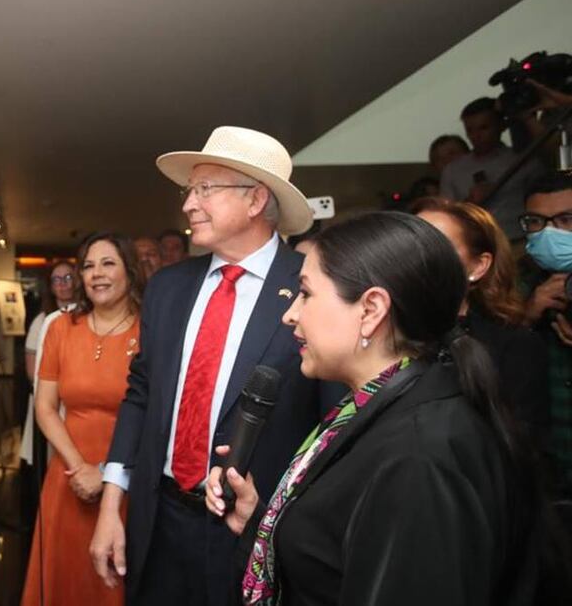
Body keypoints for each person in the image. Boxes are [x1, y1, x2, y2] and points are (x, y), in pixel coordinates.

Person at [206, 212, 541, 605]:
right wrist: (261, 525)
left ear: (371, 310)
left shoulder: (419, 456)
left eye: (306, 293)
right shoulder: (373, 405)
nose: (290, 314)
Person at [91, 126, 337, 605]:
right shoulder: (166, 288)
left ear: (255, 199)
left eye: (205, 189)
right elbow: (140, 394)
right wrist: (110, 503)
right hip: (158, 519)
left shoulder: (311, 287)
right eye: (189, 191)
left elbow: (330, 426)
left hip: (254, 531)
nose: (188, 204)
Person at [21, 232, 144, 606]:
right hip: (68, 477)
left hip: (127, 480)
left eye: (108, 263)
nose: (97, 274)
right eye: (89, 266)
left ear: (129, 271)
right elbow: (44, 406)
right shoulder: (61, 327)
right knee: (64, 580)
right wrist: (79, 468)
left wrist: (106, 473)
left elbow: (155, 417)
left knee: (112, 582)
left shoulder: (152, 331)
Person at [411, 196, 549, 445]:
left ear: (478, 266)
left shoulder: (514, 345)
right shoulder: (379, 336)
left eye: (438, 246)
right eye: (409, 246)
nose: (418, 258)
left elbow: (522, 451)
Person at [519, 171, 572, 495]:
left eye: (565, 219)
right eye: (537, 222)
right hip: (544, 471)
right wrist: (527, 317)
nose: (549, 233)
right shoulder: (511, 284)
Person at [440, 97, 547, 240]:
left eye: (484, 128)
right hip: (477, 245)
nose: (476, 136)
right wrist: (469, 201)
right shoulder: (453, 170)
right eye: (470, 130)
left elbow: (543, 205)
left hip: (521, 241)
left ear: (501, 126)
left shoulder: (524, 161)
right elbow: (446, 216)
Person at [20, 260, 79, 465]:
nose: (63, 284)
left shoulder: (87, 316)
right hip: (51, 402)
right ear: (51, 287)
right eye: (56, 279)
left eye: (68, 278)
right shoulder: (43, 321)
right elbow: (32, 371)